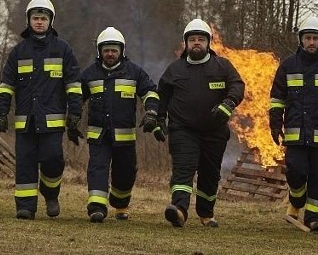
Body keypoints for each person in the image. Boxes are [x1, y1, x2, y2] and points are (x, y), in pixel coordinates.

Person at [0, 0, 81, 220]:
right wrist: (1, 113)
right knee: (25, 163)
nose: (39, 22)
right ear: (29, 20)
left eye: (43, 18)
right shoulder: (18, 52)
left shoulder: (63, 50)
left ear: (51, 21)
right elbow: (6, 86)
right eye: (35, 18)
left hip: (52, 122)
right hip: (26, 122)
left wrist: (75, 113)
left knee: (53, 160)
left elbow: (73, 85)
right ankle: (25, 206)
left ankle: (51, 193)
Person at [156, 19, 245, 228]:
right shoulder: (174, 70)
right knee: (183, 170)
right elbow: (162, 96)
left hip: (214, 131)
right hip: (183, 130)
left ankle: (206, 213)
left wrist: (228, 103)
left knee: (210, 174)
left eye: (201, 39)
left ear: (209, 43)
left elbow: (237, 85)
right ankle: (179, 210)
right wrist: (159, 119)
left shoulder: (223, 66)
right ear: (186, 43)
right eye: (192, 39)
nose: (197, 43)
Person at [268, 16, 318, 233]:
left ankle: (316, 217)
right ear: (301, 40)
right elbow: (277, 98)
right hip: (294, 134)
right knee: (295, 170)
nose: (311, 42)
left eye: (315, 38)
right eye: (307, 38)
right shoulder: (288, 65)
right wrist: (275, 125)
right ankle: (296, 196)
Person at [78, 27, 161, 223]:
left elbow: (150, 92)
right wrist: (72, 118)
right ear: (99, 51)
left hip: (125, 137)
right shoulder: (89, 74)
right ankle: (96, 207)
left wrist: (151, 113)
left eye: (114, 49)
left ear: (122, 51)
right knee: (97, 168)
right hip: (98, 136)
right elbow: (76, 98)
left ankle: (119, 203)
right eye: (106, 49)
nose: (110, 53)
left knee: (126, 172)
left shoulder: (134, 72)